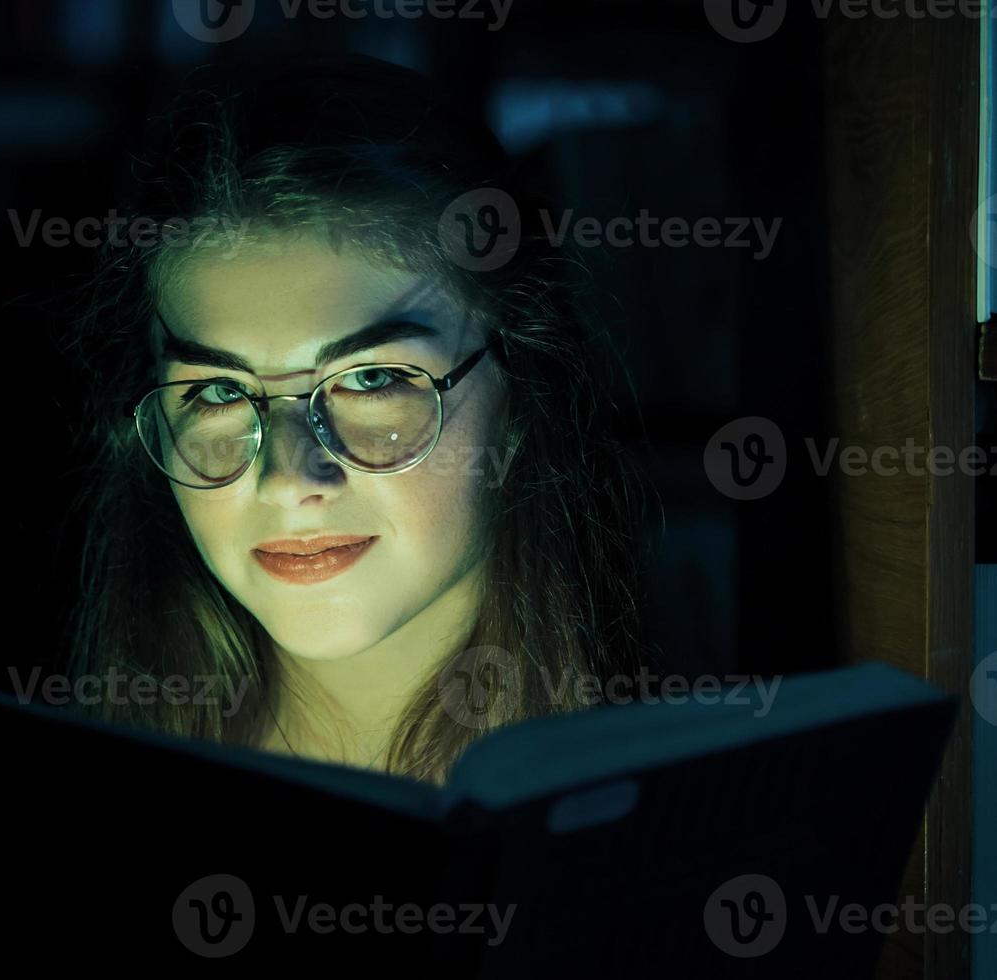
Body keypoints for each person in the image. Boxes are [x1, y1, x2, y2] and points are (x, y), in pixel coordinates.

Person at [61, 55, 649, 782]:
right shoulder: (36, 811)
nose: (285, 479)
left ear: (520, 393)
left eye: (371, 380)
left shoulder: (694, 812)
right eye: (215, 393)